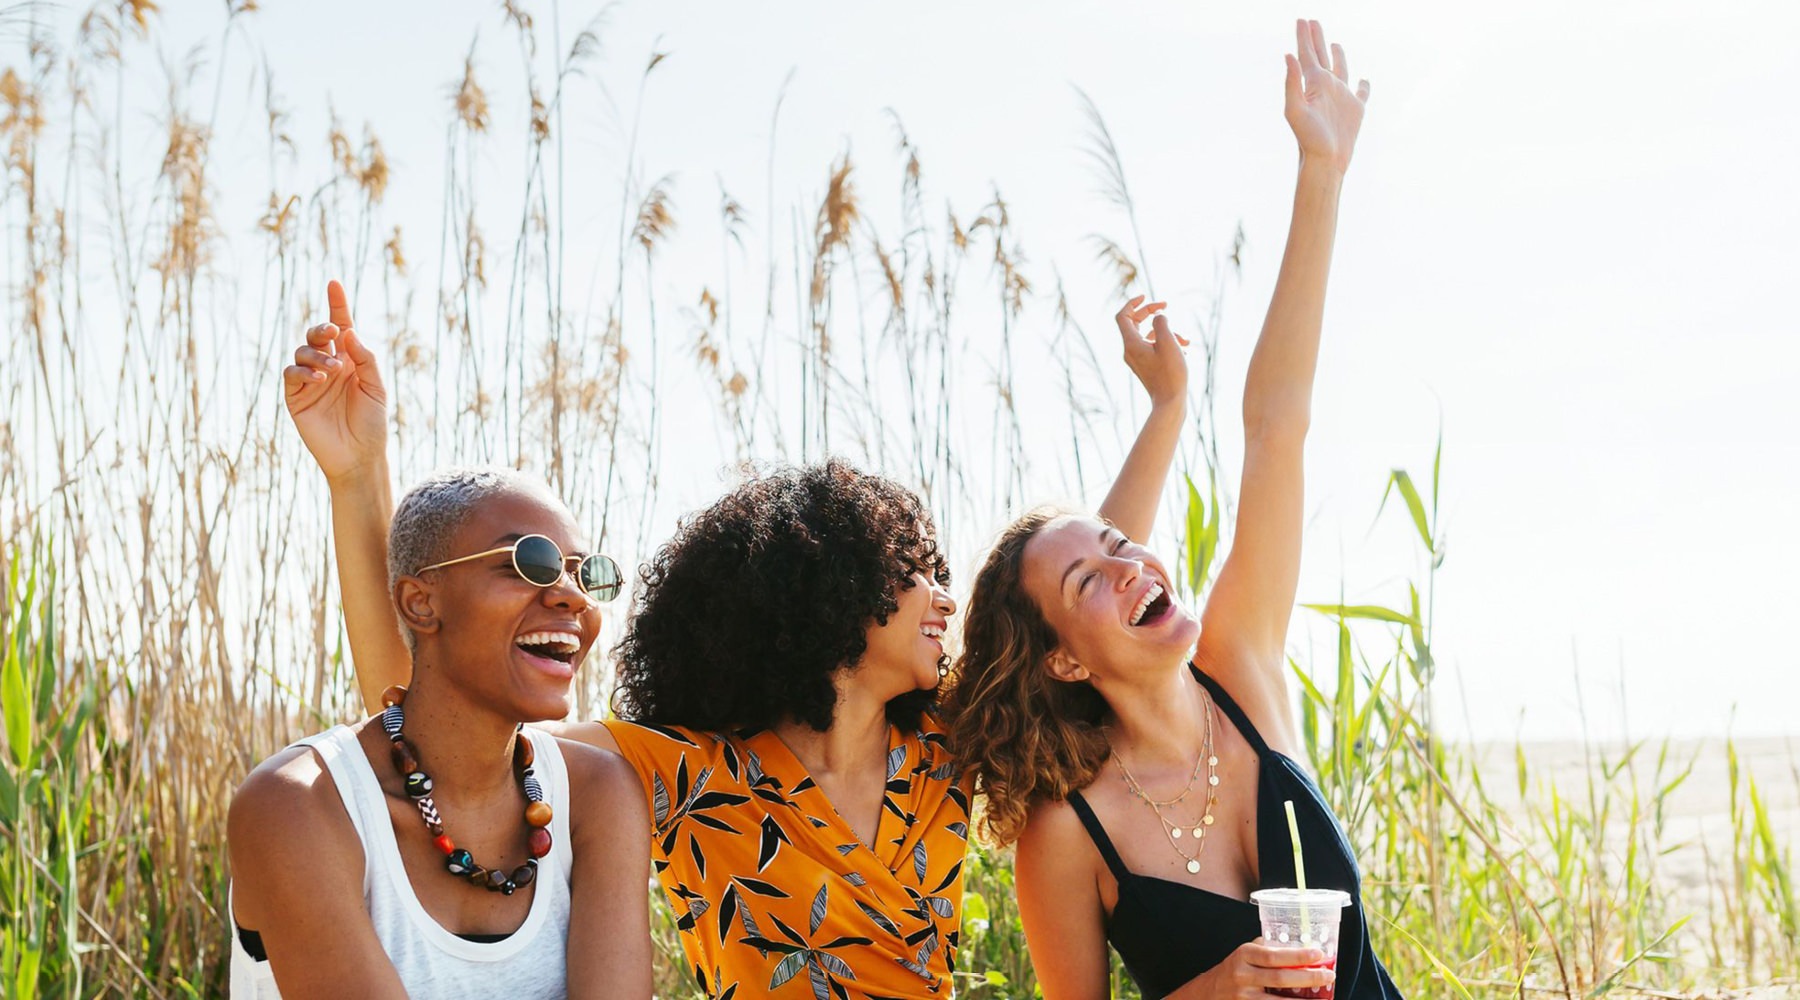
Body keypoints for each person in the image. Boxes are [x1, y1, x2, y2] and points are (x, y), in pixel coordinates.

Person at [282, 279, 1181, 995]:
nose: (943, 599)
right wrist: (358, 481)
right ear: (832, 597)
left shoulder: (946, 746)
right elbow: (426, 703)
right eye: (914, 572)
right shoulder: (686, 777)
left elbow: (1078, 608)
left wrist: (1165, 412)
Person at [945, 20, 1400, 1000]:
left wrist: (1321, 173)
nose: (1133, 563)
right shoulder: (1068, 829)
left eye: (1125, 544)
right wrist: (1212, 991)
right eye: (1088, 579)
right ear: (1065, 658)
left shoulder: (1243, 669)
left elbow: (1277, 429)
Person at [226, 463, 653, 999]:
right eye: (531, 564)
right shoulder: (298, 807)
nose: (572, 597)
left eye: (585, 573)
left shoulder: (598, 795)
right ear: (420, 603)